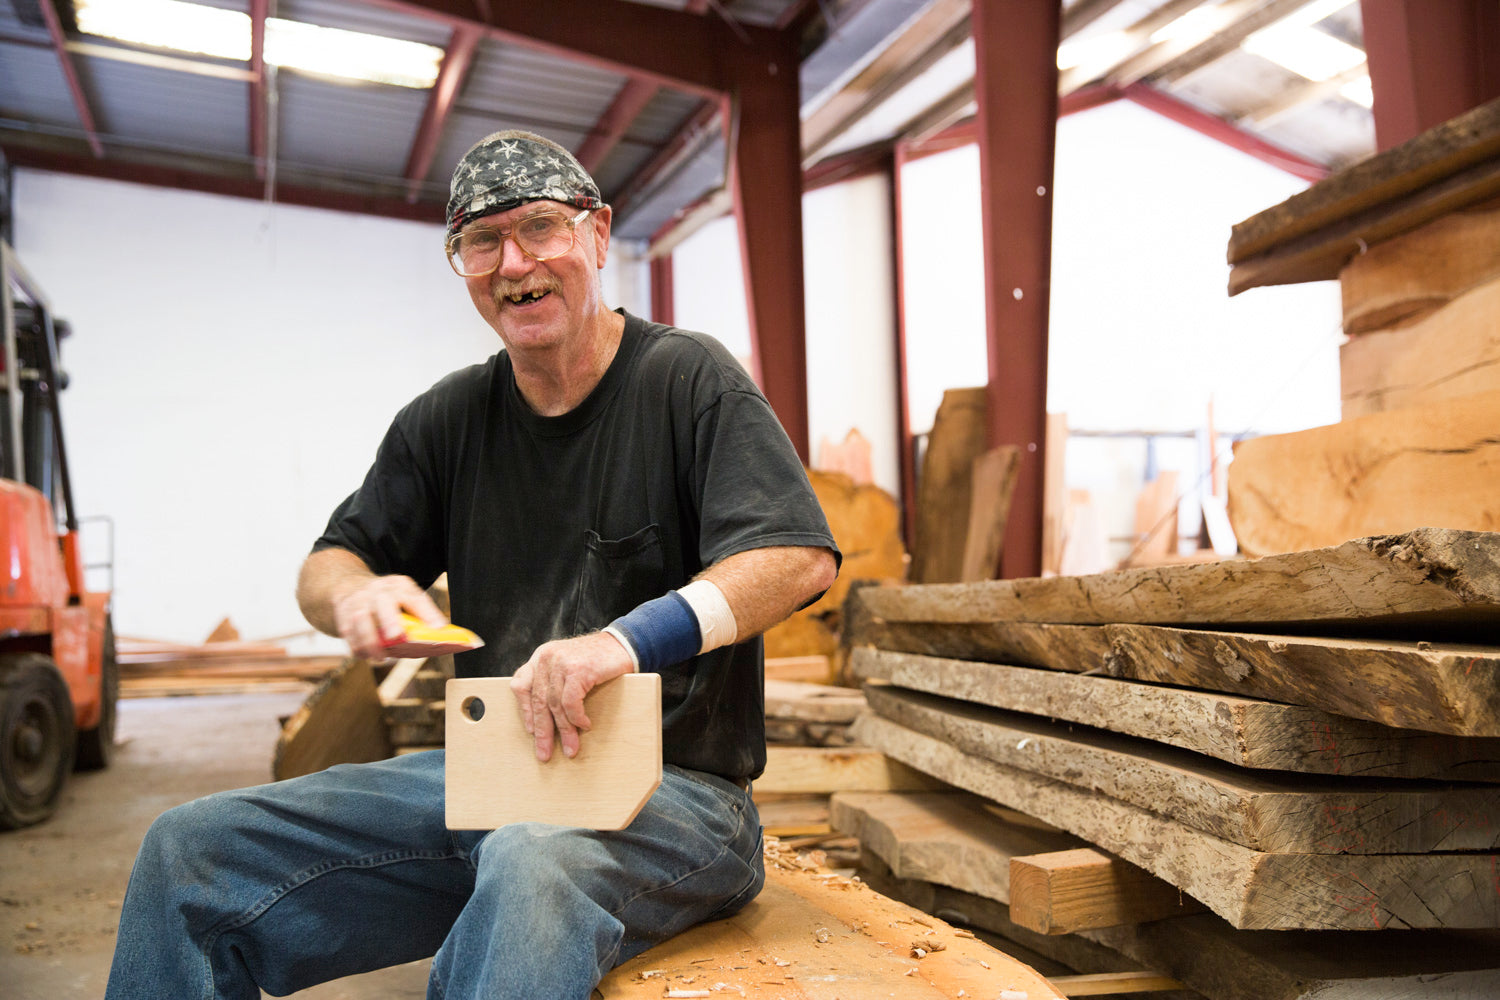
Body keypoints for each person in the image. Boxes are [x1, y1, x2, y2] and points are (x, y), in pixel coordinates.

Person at [104, 130, 840, 999]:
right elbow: (328, 564)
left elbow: (793, 556)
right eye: (481, 241)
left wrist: (621, 643)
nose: (513, 261)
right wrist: (359, 593)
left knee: (532, 857)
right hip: (497, 772)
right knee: (190, 850)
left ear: (598, 235)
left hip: (679, 796)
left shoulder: (686, 380)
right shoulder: (447, 420)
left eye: (541, 227)